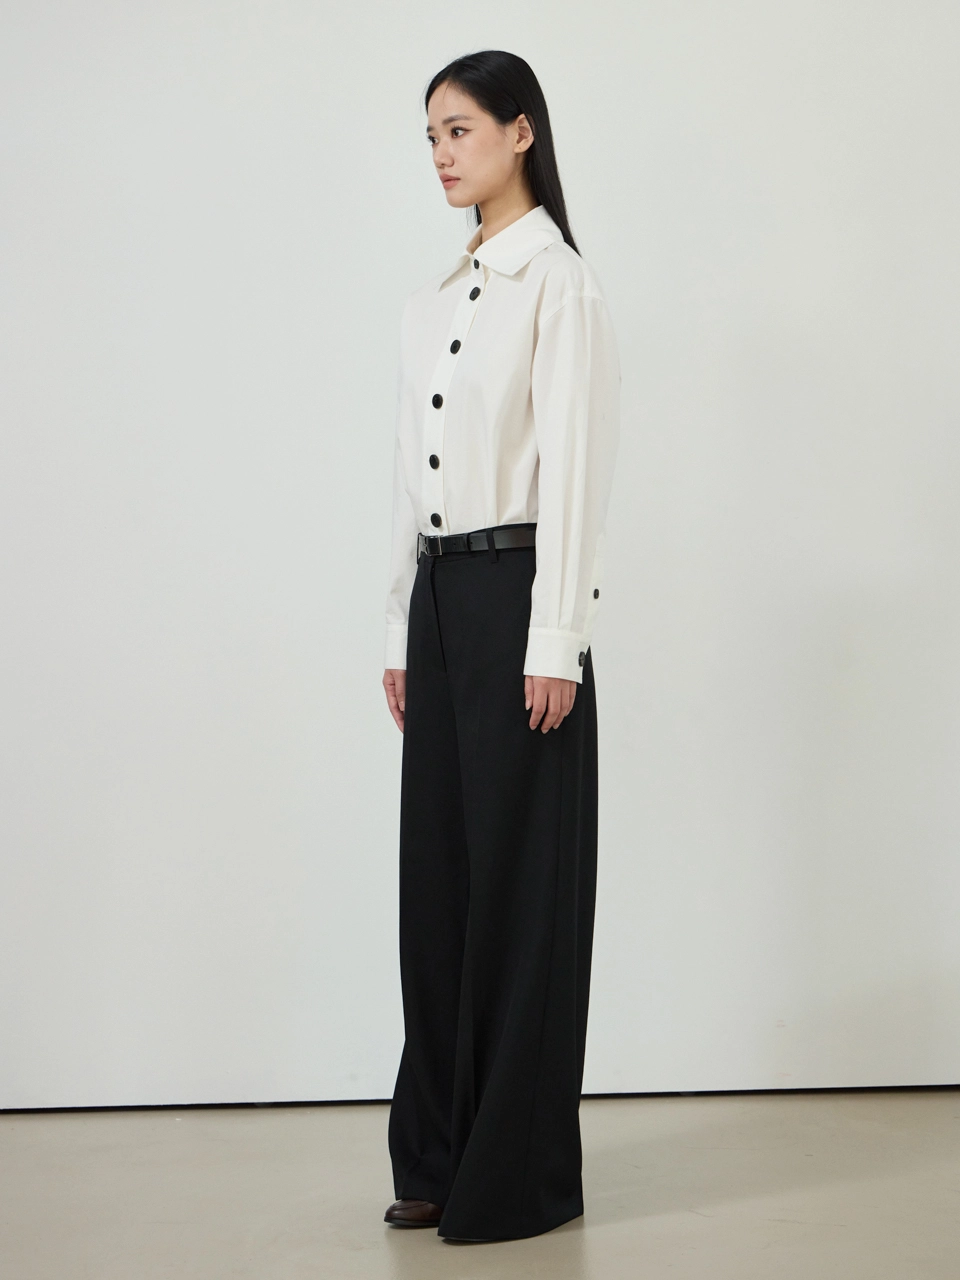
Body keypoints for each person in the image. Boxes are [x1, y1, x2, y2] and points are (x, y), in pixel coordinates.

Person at [380, 49, 621, 1243]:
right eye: (430, 134)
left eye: (461, 128)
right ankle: (432, 1151)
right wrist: (398, 623)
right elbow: (406, 477)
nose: (441, 152)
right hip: (439, 601)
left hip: (521, 598)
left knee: (523, 896)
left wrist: (557, 635)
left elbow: (573, 466)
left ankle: (513, 1174)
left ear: (522, 132)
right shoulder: (435, 300)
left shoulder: (556, 285)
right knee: (437, 886)